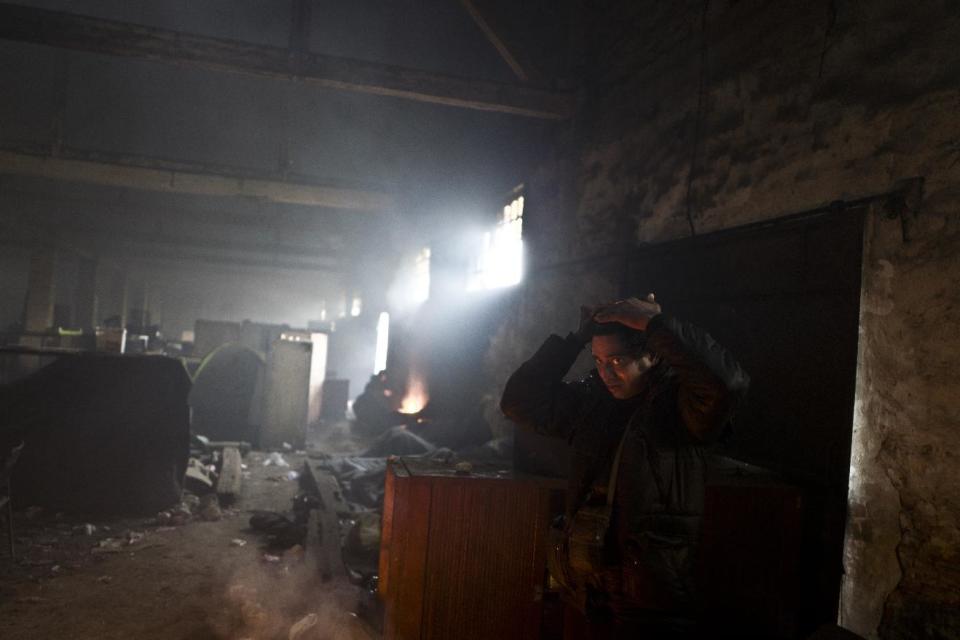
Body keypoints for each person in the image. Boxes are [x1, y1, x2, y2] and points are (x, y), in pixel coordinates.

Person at [501, 294, 749, 638]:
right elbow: (519, 401)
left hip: (651, 598)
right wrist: (575, 340)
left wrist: (656, 325)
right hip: (591, 586)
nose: (606, 373)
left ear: (651, 355)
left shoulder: (680, 412)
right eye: (599, 361)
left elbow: (726, 384)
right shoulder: (593, 404)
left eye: (616, 360)